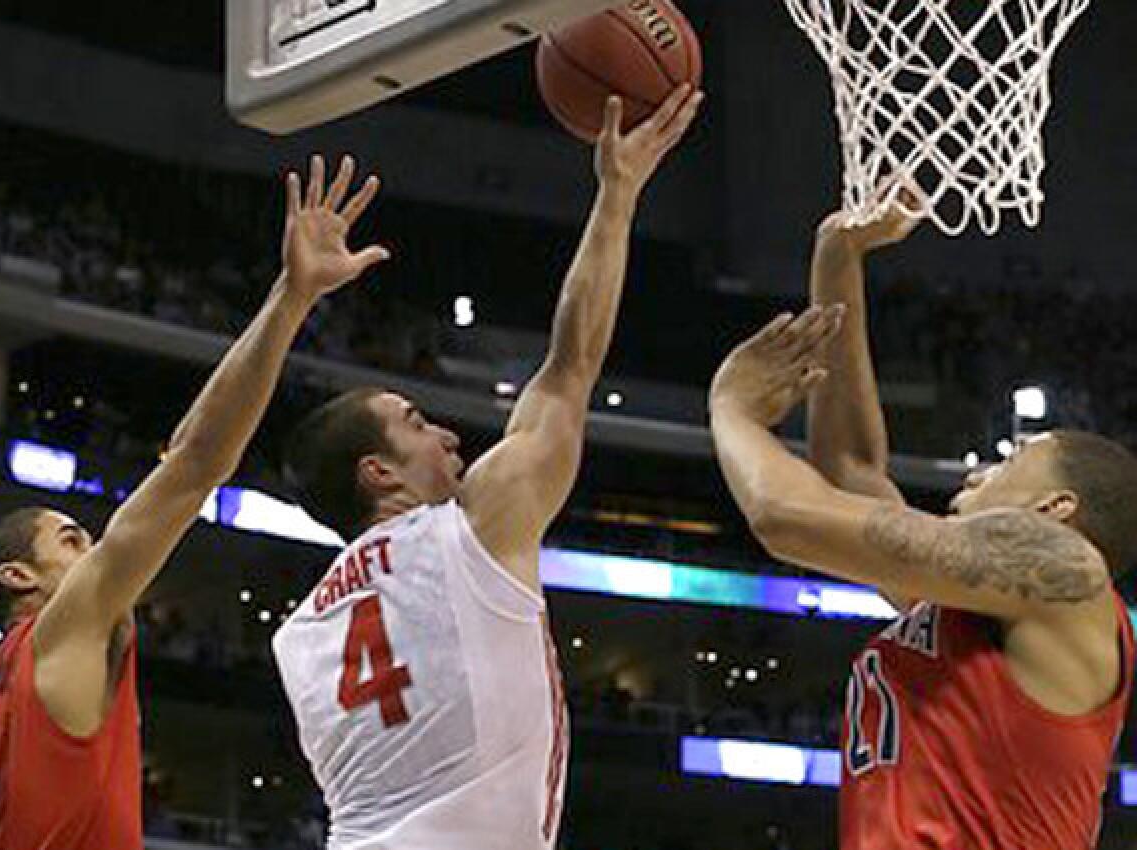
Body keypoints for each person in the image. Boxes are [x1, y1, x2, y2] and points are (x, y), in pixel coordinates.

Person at [272, 85, 704, 850]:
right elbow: (570, 369)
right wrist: (618, 194)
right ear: (379, 473)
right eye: (414, 423)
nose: (444, 433)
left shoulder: (302, 632)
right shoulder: (467, 531)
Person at [0, 153, 390, 849]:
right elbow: (195, 463)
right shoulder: (63, 630)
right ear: (17, 576)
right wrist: (291, 297)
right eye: (70, 540)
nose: (94, 549)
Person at [708, 204, 1136, 849]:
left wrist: (732, 412)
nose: (974, 477)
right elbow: (850, 472)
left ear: (1056, 511)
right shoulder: (982, 606)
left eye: (1009, 461)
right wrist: (839, 260)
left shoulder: (1066, 572)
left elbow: (786, 516)